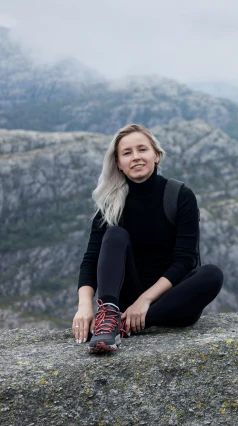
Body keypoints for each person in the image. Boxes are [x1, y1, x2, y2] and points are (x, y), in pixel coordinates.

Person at [73, 123, 223, 353]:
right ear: (118, 164)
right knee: (114, 234)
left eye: (142, 149)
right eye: (127, 153)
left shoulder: (180, 195)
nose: (136, 157)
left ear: (156, 155)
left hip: (170, 300)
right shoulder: (109, 203)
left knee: (212, 274)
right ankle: (110, 316)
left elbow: (184, 260)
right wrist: (85, 307)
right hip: (126, 298)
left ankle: (123, 325)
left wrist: (144, 301)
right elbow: (91, 259)